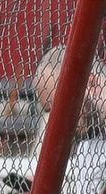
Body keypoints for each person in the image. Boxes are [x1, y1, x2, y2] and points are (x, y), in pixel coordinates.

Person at [33, 46, 106, 194]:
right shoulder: (86, 149)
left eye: (61, 109)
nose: (56, 124)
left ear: (91, 84)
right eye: (50, 113)